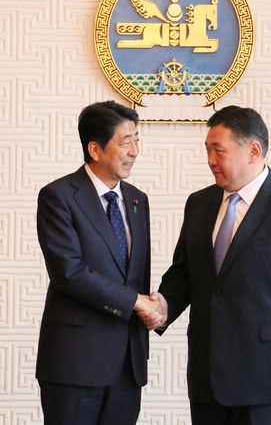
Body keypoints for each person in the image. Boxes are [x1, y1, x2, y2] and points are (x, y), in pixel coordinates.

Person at [145, 106, 271, 424]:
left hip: (269, 383)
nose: (210, 160)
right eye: (207, 150)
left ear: (253, 151)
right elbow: (185, 273)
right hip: (208, 381)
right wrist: (162, 305)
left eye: (218, 150)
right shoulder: (199, 203)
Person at [36, 101, 161, 425]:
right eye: (125, 141)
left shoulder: (137, 200)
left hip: (127, 364)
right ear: (95, 148)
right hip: (75, 362)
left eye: (137, 140)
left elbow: (135, 275)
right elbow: (69, 271)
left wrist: (154, 305)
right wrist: (135, 302)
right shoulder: (58, 197)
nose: (134, 151)